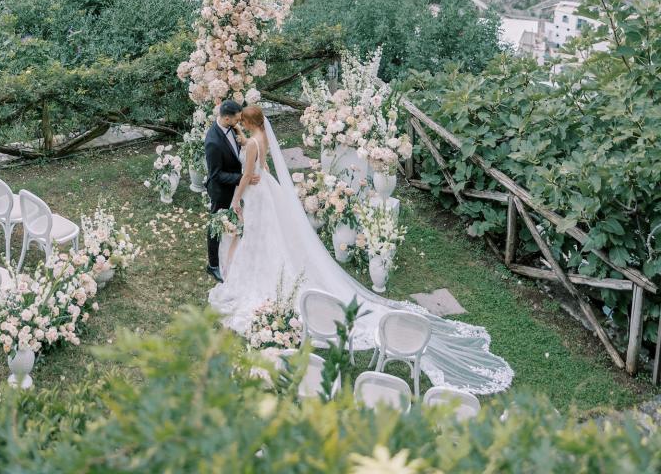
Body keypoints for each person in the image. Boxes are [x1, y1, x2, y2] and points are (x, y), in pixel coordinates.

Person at [208, 105, 514, 396]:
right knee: (267, 239)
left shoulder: (250, 145)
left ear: (249, 123)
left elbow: (248, 175)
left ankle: (258, 278)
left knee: (258, 237)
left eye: (242, 123)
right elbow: (258, 157)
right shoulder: (260, 137)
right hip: (268, 190)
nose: (239, 127)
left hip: (257, 193)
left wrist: (236, 200)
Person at [204, 99, 258, 281]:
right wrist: (244, 178)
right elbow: (215, 175)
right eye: (237, 119)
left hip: (236, 186)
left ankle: (232, 253)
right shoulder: (213, 141)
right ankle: (212, 265)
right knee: (216, 225)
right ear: (226, 118)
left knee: (234, 220)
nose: (239, 122)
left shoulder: (232, 128)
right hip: (221, 190)